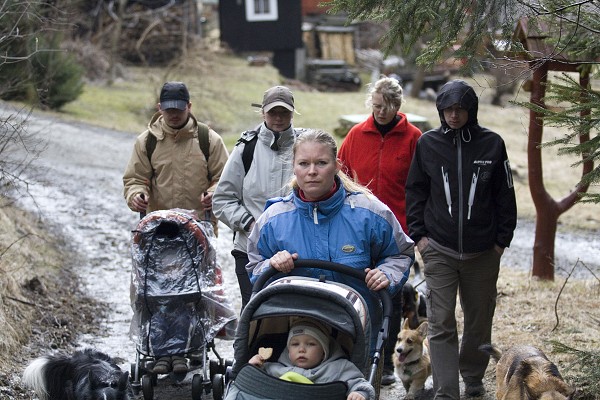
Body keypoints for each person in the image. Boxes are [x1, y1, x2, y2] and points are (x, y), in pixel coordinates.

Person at [246, 129, 415, 351]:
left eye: (321, 163)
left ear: (336, 165)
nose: (312, 172)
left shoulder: (370, 213)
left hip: (356, 331)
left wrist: (386, 274)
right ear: (294, 167)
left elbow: (400, 253)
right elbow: (255, 266)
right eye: (304, 164)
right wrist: (272, 264)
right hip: (295, 334)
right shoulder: (273, 219)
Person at [405, 79, 517, 399]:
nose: (454, 115)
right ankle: (446, 390)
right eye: (448, 109)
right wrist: (420, 238)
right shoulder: (427, 144)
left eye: (460, 109)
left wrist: (500, 242)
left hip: (483, 252)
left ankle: (472, 377)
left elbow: (505, 196)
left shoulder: (492, 144)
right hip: (438, 248)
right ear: (440, 110)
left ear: (472, 110)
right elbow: (415, 191)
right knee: (440, 322)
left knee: (479, 320)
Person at [122, 81, 229, 374]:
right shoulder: (147, 141)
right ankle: (159, 353)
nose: (173, 115)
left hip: (198, 235)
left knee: (193, 293)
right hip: (157, 237)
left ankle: (192, 348)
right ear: (160, 109)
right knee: (157, 294)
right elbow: (134, 178)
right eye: (168, 110)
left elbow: (225, 178)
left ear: (189, 108)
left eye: (178, 110)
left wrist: (214, 192)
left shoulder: (209, 140)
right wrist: (136, 195)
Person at [338, 76, 422, 385]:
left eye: (386, 107)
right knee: (357, 291)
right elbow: (341, 175)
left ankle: (386, 362)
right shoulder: (356, 135)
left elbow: (421, 187)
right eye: (375, 106)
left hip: (398, 229)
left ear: (398, 106)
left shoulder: (413, 138)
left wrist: (417, 228)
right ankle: (355, 358)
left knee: (391, 295)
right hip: (357, 228)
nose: (380, 112)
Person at [213, 85, 303, 311]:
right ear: (263, 113)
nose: (279, 118)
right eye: (273, 112)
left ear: (293, 113)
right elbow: (222, 199)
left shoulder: (305, 147)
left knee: (295, 313)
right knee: (255, 312)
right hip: (249, 251)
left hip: (298, 252)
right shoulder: (247, 148)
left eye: (284, 112)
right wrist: (250, 224)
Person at [248, 318, 375, 400]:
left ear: (324, 350)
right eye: (295, 344)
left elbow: (359, 382)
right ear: (288, 350)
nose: (301, 349)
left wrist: (360, 393)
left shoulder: (339, 368)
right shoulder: (275, 368)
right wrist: (253, 366)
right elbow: (253, 381)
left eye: (311, 344)